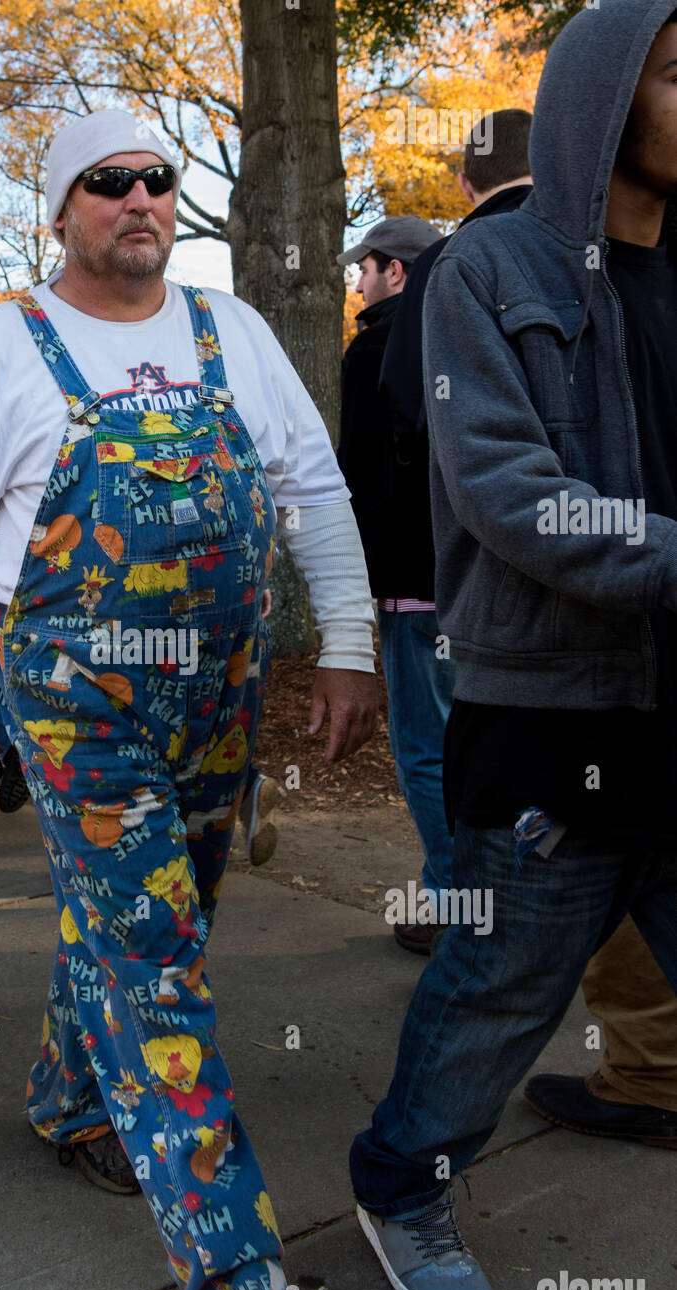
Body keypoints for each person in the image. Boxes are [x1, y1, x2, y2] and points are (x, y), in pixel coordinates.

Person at [0, 108, 378, 1290]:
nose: (141, 198)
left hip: (220, 692)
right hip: (69, 699)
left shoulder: (234, 330)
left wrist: (351, 642)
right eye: (108, 182)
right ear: (60, 210)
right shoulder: (5, 346)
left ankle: (65, 1093)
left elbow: (310, 484)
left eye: (158, 177)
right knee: (155, 961)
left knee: (159, 921)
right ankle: (233, 1262)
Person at [350, 0, 677, 1290]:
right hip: (554, 718)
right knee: (493, 994)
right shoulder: (486, 273)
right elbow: (507, 488)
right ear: (604, 95)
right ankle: (402, 1190)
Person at [335, 215, 445, 952]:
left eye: (366, 269)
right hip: (480, 584)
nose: (359, 282)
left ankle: (457, 907)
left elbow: (362, 482)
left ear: (395, 272)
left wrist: (352, 594)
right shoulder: (467, 333)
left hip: (412, 586)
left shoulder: (375, 346)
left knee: (426, 754)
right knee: (476, 749)